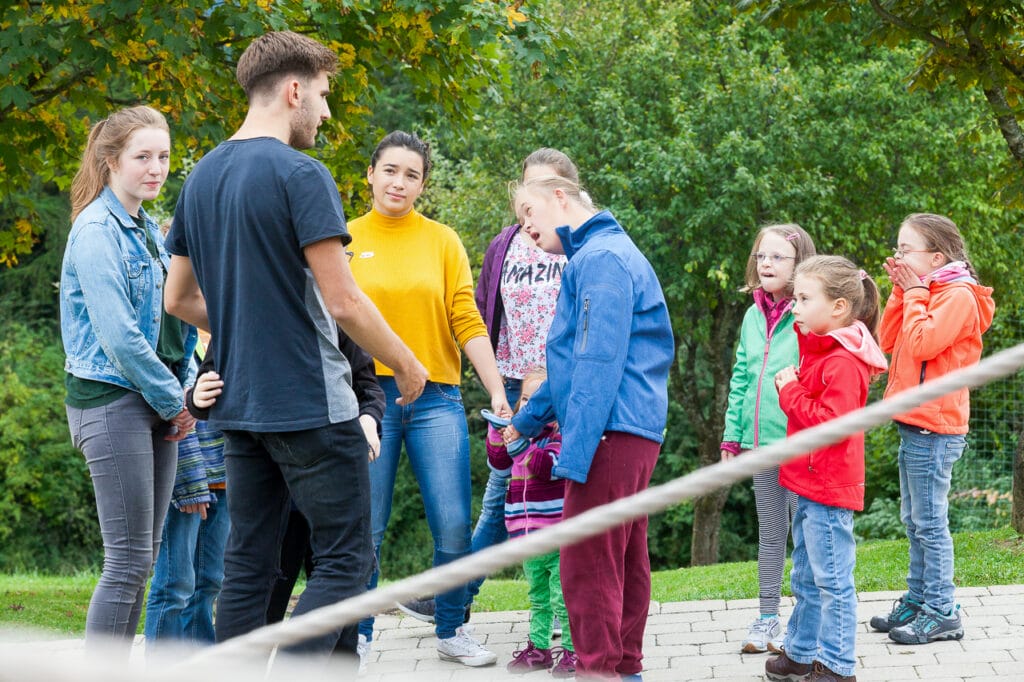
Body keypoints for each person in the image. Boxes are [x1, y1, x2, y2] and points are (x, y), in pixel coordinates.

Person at [163, 30, 427, 663]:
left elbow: (178, 299)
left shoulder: (200, 177)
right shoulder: (300, 174)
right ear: (292, 89)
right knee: (345, 563)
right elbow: (344, 302)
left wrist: (248, 324)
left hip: (243, 408)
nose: (327, 111)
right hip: (312, 403)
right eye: (324, 95)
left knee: (249, 565)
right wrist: (408, 362)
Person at [347, 130, 511, 669]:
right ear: (370, 174)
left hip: (436, 398)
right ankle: (359, 635)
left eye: (411, 174)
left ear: (423, 184)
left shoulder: (443, 240)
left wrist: (496, 390)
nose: (399, 182)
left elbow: (466, 318)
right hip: (366, 398)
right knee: (365, 524)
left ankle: (451, 628)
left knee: (451, 522)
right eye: (390, 170)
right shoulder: (343, 239)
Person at [504, 172, 675, 679]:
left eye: (527, 215)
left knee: (587, 562)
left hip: (610, 429)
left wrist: (573, 452)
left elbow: (597, 362)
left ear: (560, 196)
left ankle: (600, 671)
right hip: (627, 428)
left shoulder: (600, 258)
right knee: (622, 553)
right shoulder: (596, 254)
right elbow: (570, 364)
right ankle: (625, 668)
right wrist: (528, 422)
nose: (525, 230)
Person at [399, 148, 572, 628]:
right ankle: (459, 597)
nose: (534, 198)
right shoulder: (506, 244)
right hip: (516, 385)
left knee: (548, 496)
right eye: (527, 187)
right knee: (504, 496)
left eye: (548, 185)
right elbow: (479, 313)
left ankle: (461, 597)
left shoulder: (579, 240)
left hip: (565, 387)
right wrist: (496, 381)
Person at [59, 105, 198, 648]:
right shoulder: (95, 230)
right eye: (142, 157)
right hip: (111, 401)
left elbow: (172, 323)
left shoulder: (146, 229)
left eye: (163, 157)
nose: (155, 168)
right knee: (127, 562)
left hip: (155, 398)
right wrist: (176, 401)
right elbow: (119, 338)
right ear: (111, 161)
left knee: (144, 556)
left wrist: (181, 393)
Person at [869, 213, 994, 645]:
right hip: (912, 422)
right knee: (914, 519)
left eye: (906, 250)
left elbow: (922, 344)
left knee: (930, 522)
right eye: (898, 248)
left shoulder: (957, 295)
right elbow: (888, 340)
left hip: (936, 427)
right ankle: (919, 599)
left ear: (936, 256)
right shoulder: (927, 291)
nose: (898, 255)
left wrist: (917, 293)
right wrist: (902, 292)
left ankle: (942, 611)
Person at [765, 255, 888, 682]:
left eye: (802, 298)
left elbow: (830, 425)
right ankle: (800, 652)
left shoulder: (843, 360)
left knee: (832, 582)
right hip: (808, 480)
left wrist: (789, 390)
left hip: (829, 487)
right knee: (804, 575)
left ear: (837, 307)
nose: (793, 306)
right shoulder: (821, 347)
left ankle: (837, 666)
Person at [264, 331, 384, 674]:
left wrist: (369, 419)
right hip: (279, 494)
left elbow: (369, 388)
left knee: (342, 616)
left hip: (334, 487)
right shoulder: (255, 308)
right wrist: (198, 396)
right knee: (267, 600)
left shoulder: (336, 314)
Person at [720, 223, 816, 653]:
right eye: (761, 256)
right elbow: (741, 376)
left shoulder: (807, 314)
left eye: (778, 257)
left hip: (799, 445)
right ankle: (766, 618)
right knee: (771, 534)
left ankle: (810, 617)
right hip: (760, 446)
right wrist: (731, 439)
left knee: (808, 534)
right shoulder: (751, 314)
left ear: (799, 265)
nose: (766, 264)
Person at [485, 367, 577, 677]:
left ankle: (572, 651)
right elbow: (498, 461)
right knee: (538, 597)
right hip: (527, 539)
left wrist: (519, 442)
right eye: (524, 398)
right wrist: (499, 429)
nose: (529, 405)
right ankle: (539, 648)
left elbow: (545, 466)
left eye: (537, 400)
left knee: (562, 597)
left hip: (557, 536)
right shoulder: (520, 434)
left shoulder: (558, 435)